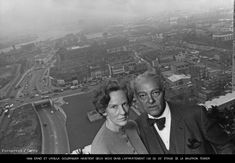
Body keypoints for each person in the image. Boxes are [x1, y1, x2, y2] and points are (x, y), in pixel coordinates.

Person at [133, 70, 234, 154]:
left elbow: (225, 146)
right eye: (143, 95)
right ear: (137, 98)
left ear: (164, 91)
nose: (150, 100)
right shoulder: (136, 128)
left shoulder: (196, 115)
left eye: (155, 93)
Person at [91, 79, 148, 154]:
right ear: (103, 110)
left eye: (124, 104)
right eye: (114, 107)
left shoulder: (133, 126)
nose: (123, 112)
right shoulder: (100, 148)